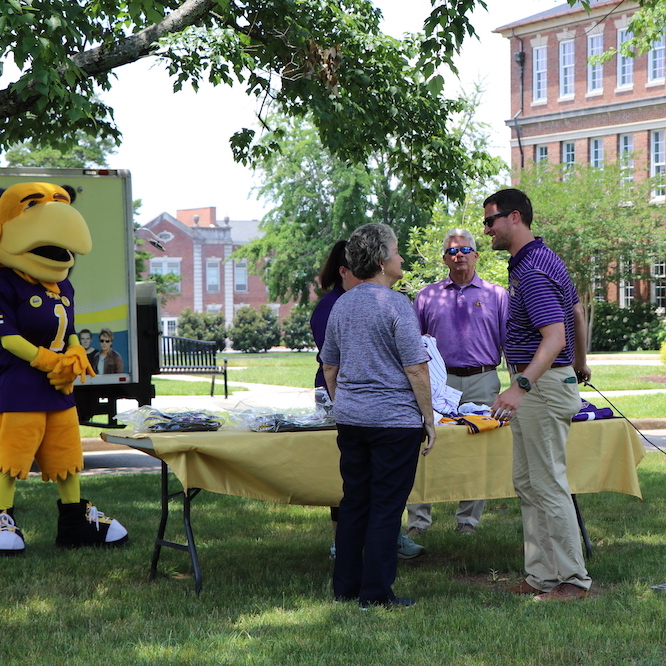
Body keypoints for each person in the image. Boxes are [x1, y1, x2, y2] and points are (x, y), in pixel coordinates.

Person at [482, 188, 592, 602]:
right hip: (547, 382)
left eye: (490, 221)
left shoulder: (532, 270)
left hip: (539, 387)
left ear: (514, 218)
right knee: (528, 482)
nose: (486, 230)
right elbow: (576, 312)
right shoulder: (535, 260)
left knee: (547, 485)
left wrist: (520, 385)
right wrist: (579, 364)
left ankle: (573, 581)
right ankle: (542, 575)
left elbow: (554, 335)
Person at [320, 223, 436, 609]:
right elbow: (417, 369)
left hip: (352, 420)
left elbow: (330, 367)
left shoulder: (342, 304)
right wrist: (429, 419)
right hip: (394, 423)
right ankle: (376, 594)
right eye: (398, 250)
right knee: (387, 507)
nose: (402, 257)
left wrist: (345, 405)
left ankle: (346, 588)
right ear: (383, 260)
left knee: (354, 503)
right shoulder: (396, 304)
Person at [407, 228, 508, 537]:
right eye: (452, 251)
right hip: (438, 381)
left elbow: (510, 342)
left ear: (476, 255)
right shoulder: (427, 295)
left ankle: (468, 521)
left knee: (476, 448)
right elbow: (413, 345)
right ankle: (418, 522)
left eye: (465, 250)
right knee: (425, 444)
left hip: (482, 378)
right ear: (444, 259)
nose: (459, 255)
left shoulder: (497, 294)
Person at [310, 240, 361, 559]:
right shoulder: (330, 307)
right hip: (336, 397)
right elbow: (333, 362)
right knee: (342, 474)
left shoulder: (363, 299)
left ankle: (390, 535)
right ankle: (340, 541)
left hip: (361, 394)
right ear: (343, 271)